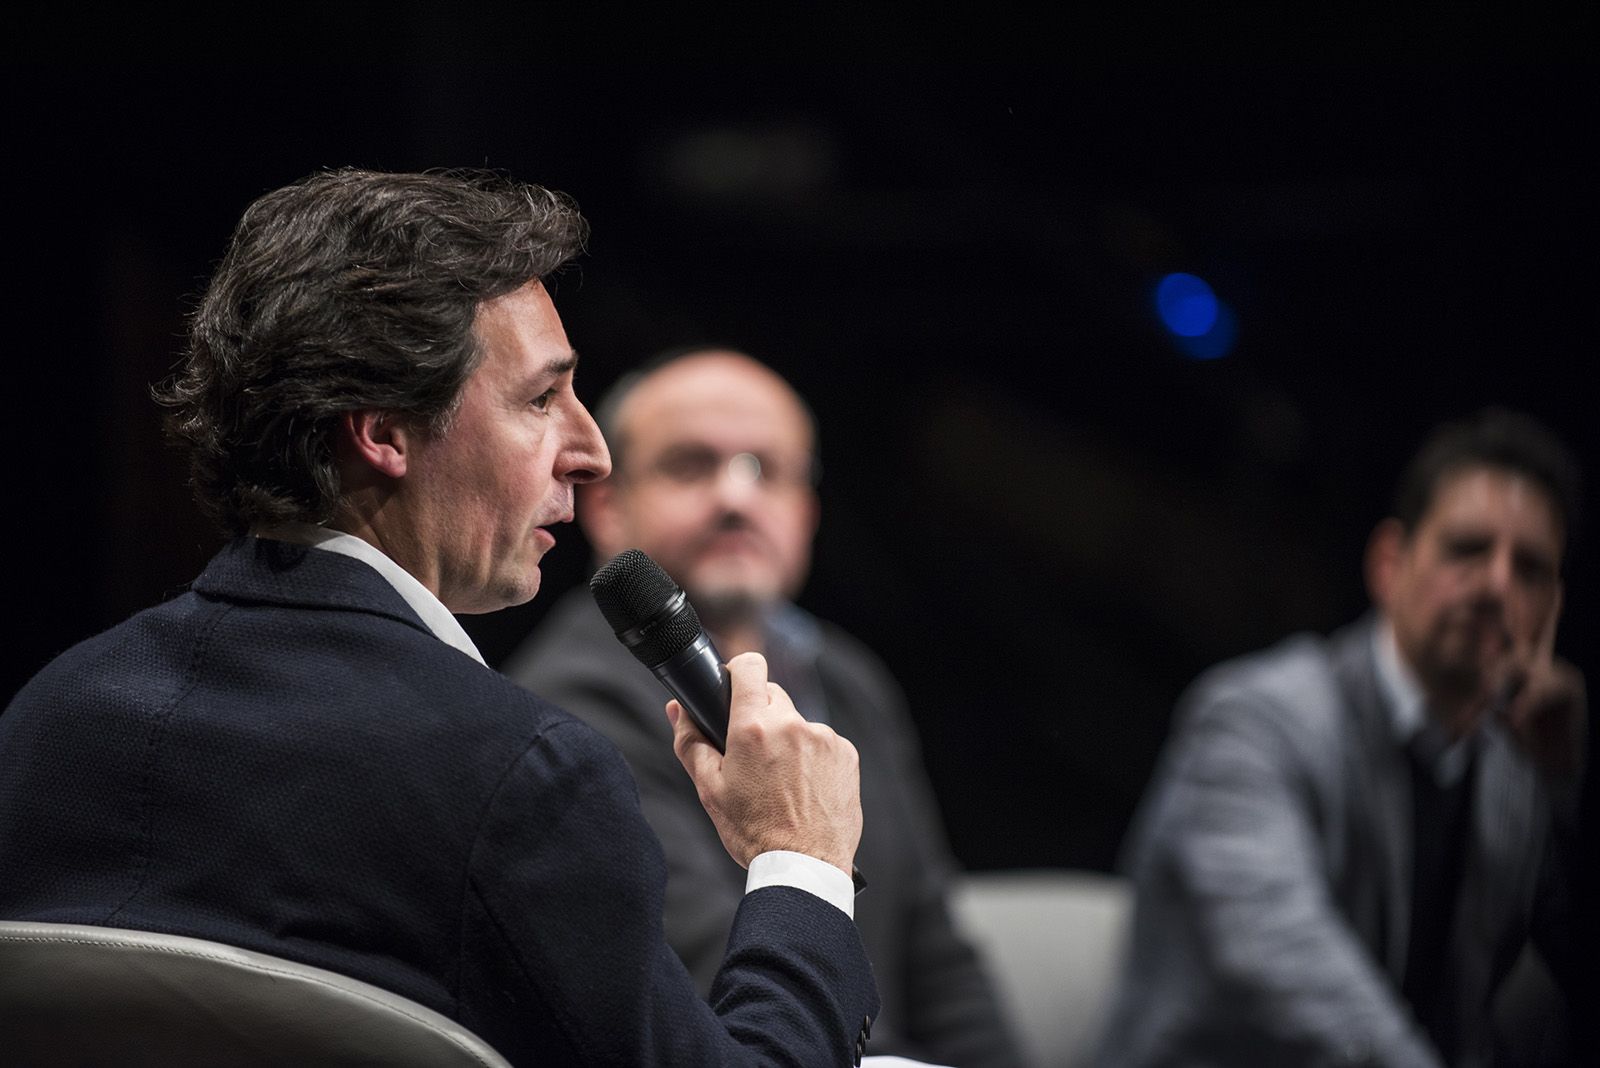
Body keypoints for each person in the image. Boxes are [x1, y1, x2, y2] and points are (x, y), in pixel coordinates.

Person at [0, 169, 881, 1066]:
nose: (591, 451)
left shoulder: (45, 722)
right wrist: (798, 856)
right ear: (383, 431)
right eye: (542, 399)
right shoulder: (522, 775)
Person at [502, 348, 1024, 1068]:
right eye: (691, 465)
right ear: (606, 506)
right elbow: (705, 976)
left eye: (767, 469)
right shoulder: (570, 702)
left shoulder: (849, 681)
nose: (735, 497)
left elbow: (938, 958)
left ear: (806, 513)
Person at [1098, 409, 1587, 1067]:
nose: (1498, 586)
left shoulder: (1513, 773)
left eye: (1529, 569)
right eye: (1468, 549)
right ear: (1390, 564)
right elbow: (1293, 962)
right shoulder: (1254, 719)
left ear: (1554, 604)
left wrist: (1569, 790)